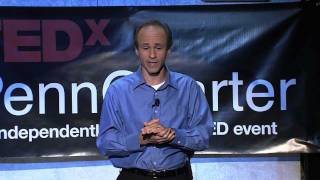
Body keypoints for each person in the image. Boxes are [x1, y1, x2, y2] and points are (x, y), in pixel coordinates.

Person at [97, 20, 213, 180]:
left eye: (158, 47)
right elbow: (105, 143)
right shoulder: (118, 90)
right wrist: (140, 139)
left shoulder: (188, 87)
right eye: (145, 48)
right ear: (137, 50)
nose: (152, 55)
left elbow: (204, 136)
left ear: (168, 50)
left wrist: (173, 135)